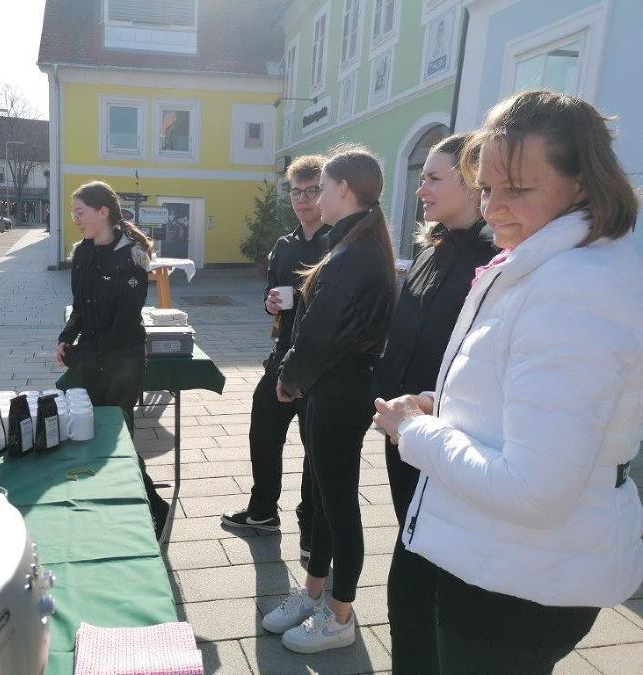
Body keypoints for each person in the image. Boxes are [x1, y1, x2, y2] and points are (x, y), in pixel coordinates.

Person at [374, 90, 643, 674]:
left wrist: (417, 433)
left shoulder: (574, 285)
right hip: (507, 562)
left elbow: (534, 488)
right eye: (488, 188)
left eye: (516, 188)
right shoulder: (550, 265)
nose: (493, 208)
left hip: (517, 580)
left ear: (583, 182)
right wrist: (446, 409)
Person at [262, 145, 396, 653]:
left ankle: (340, 615)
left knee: (338, 503)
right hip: (332, 388)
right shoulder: (355, 243)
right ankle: (314, 592)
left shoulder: (354, 252)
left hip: (339, 392)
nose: (315, 197)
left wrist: (289, 380)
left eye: (321, 188)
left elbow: (318, 333)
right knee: (321, 496)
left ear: (343, 190)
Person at [373, 133, 497, 674]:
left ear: (473, 183)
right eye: (420, 176)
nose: (419, 188)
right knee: (411, 554)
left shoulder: (495, 258)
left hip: (448, 439)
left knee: (421, 573)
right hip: (406, 432)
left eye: (433, 177)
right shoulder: (434, 246)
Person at [221, 155, 331, 556]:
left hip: (319, 364)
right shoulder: (284, 246)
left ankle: (310, 522)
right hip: (283, 353)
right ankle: (263, 510)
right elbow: (273, 294)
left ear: (329, 191)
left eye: (312, 190)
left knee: (312, 445)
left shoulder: (336, 242)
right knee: (263, 431)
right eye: (296, 191)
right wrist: (271, 304)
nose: (303, 199)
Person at [56, 180, 170, 535]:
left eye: (80, 212)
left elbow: (123, 323)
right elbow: (80, 306)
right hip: (92, 357)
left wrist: (83, 353)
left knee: (115, 436)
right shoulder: (83, 252)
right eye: (73, 213)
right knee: (90, 433)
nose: (75, 219)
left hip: (123, 362)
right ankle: (111, 501)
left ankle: (153, 506)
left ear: (103, 212)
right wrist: (66, 337)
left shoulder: (131, 257)